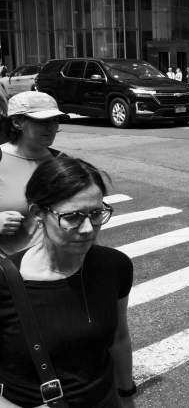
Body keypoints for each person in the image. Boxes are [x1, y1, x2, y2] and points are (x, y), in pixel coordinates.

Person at [0, 157, 136, 407]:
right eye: (72, 216)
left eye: (96, 213)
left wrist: (126, 396)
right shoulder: (5, 279)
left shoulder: (115, 266)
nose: (87, 229)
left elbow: (119, 338)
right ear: (37, 213)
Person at [0, 92, 69, 258]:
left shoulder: (61, 162)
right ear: (17, 122)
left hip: (56, 268)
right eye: (43, 121)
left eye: (55, 120)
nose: (51, 127)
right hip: (10, 274)